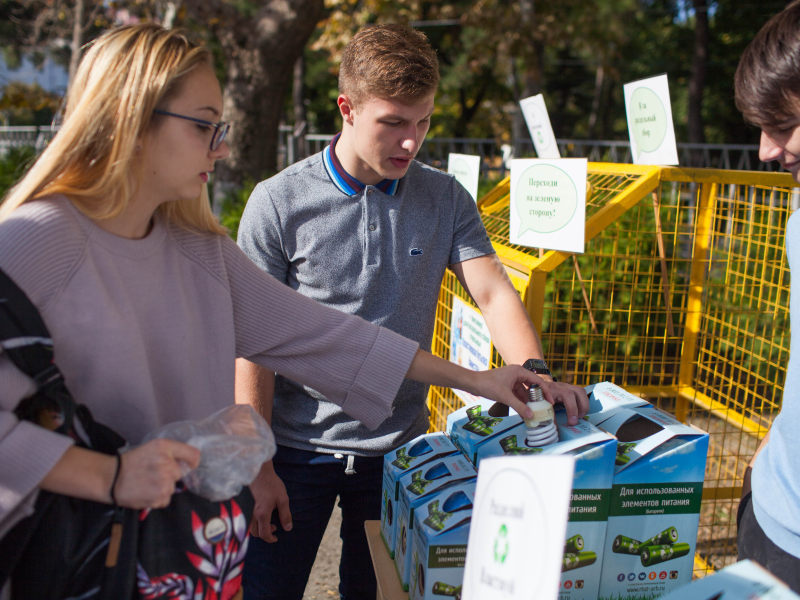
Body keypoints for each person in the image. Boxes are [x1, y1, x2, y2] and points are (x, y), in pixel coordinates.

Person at [0, 23, 549, 595]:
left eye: (222, 126)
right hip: (66, 560)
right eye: (205, 125)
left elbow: (329, 340)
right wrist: (111, 475)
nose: (224, 146)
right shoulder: (33, 241)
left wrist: (484, 381)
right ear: (132, 121)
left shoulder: (198, 249)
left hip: (170, 559)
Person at [235, 24, 590, 600]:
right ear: (346, 109)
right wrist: (257, 462)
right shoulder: (278, 201)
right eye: (394, 122)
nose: (410, 141)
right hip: (292, 450)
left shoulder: (446, 197)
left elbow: (493, 292)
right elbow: (251, 342)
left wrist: (536, 373)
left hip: (398, 451)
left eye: (423, 121)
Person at [734, 1, 800, 590]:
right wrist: (771, 445)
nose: (766, 151)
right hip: (770, 518)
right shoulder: (799, 216)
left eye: (782, 125)